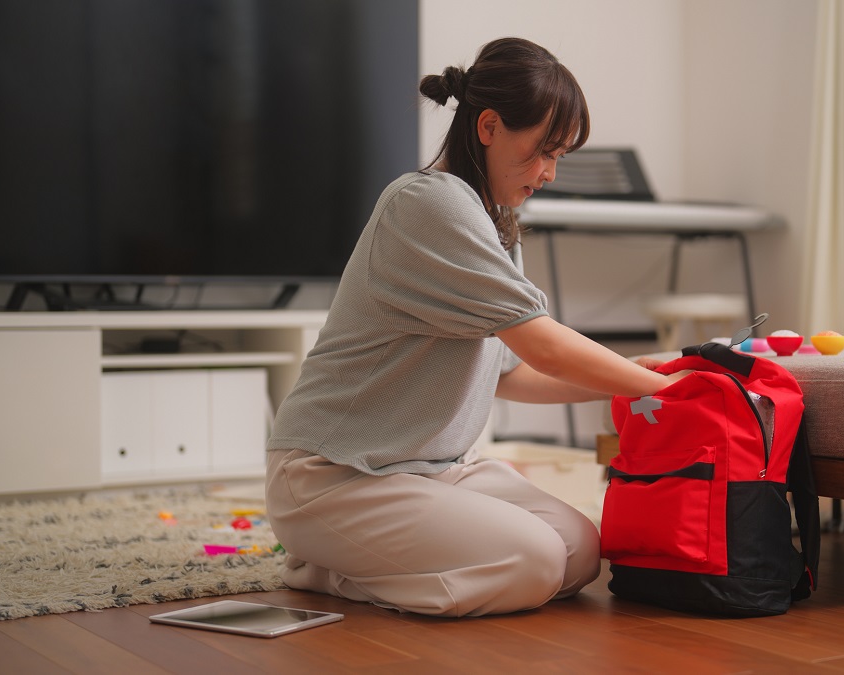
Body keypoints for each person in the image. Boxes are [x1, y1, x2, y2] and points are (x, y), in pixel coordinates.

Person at [264, 37, 684, 618]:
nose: (549, 173)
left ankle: (362, 559)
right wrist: (662, 390)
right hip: (335, 475)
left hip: (431, 472)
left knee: (582, 553)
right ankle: (328, 571)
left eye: (559, 156)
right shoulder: (428, 203)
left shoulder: (496, 227)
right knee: (536, 563)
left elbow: (514, 373)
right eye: (543, 151)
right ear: (488, 126)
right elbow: (545, 347)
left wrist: (631, 375)